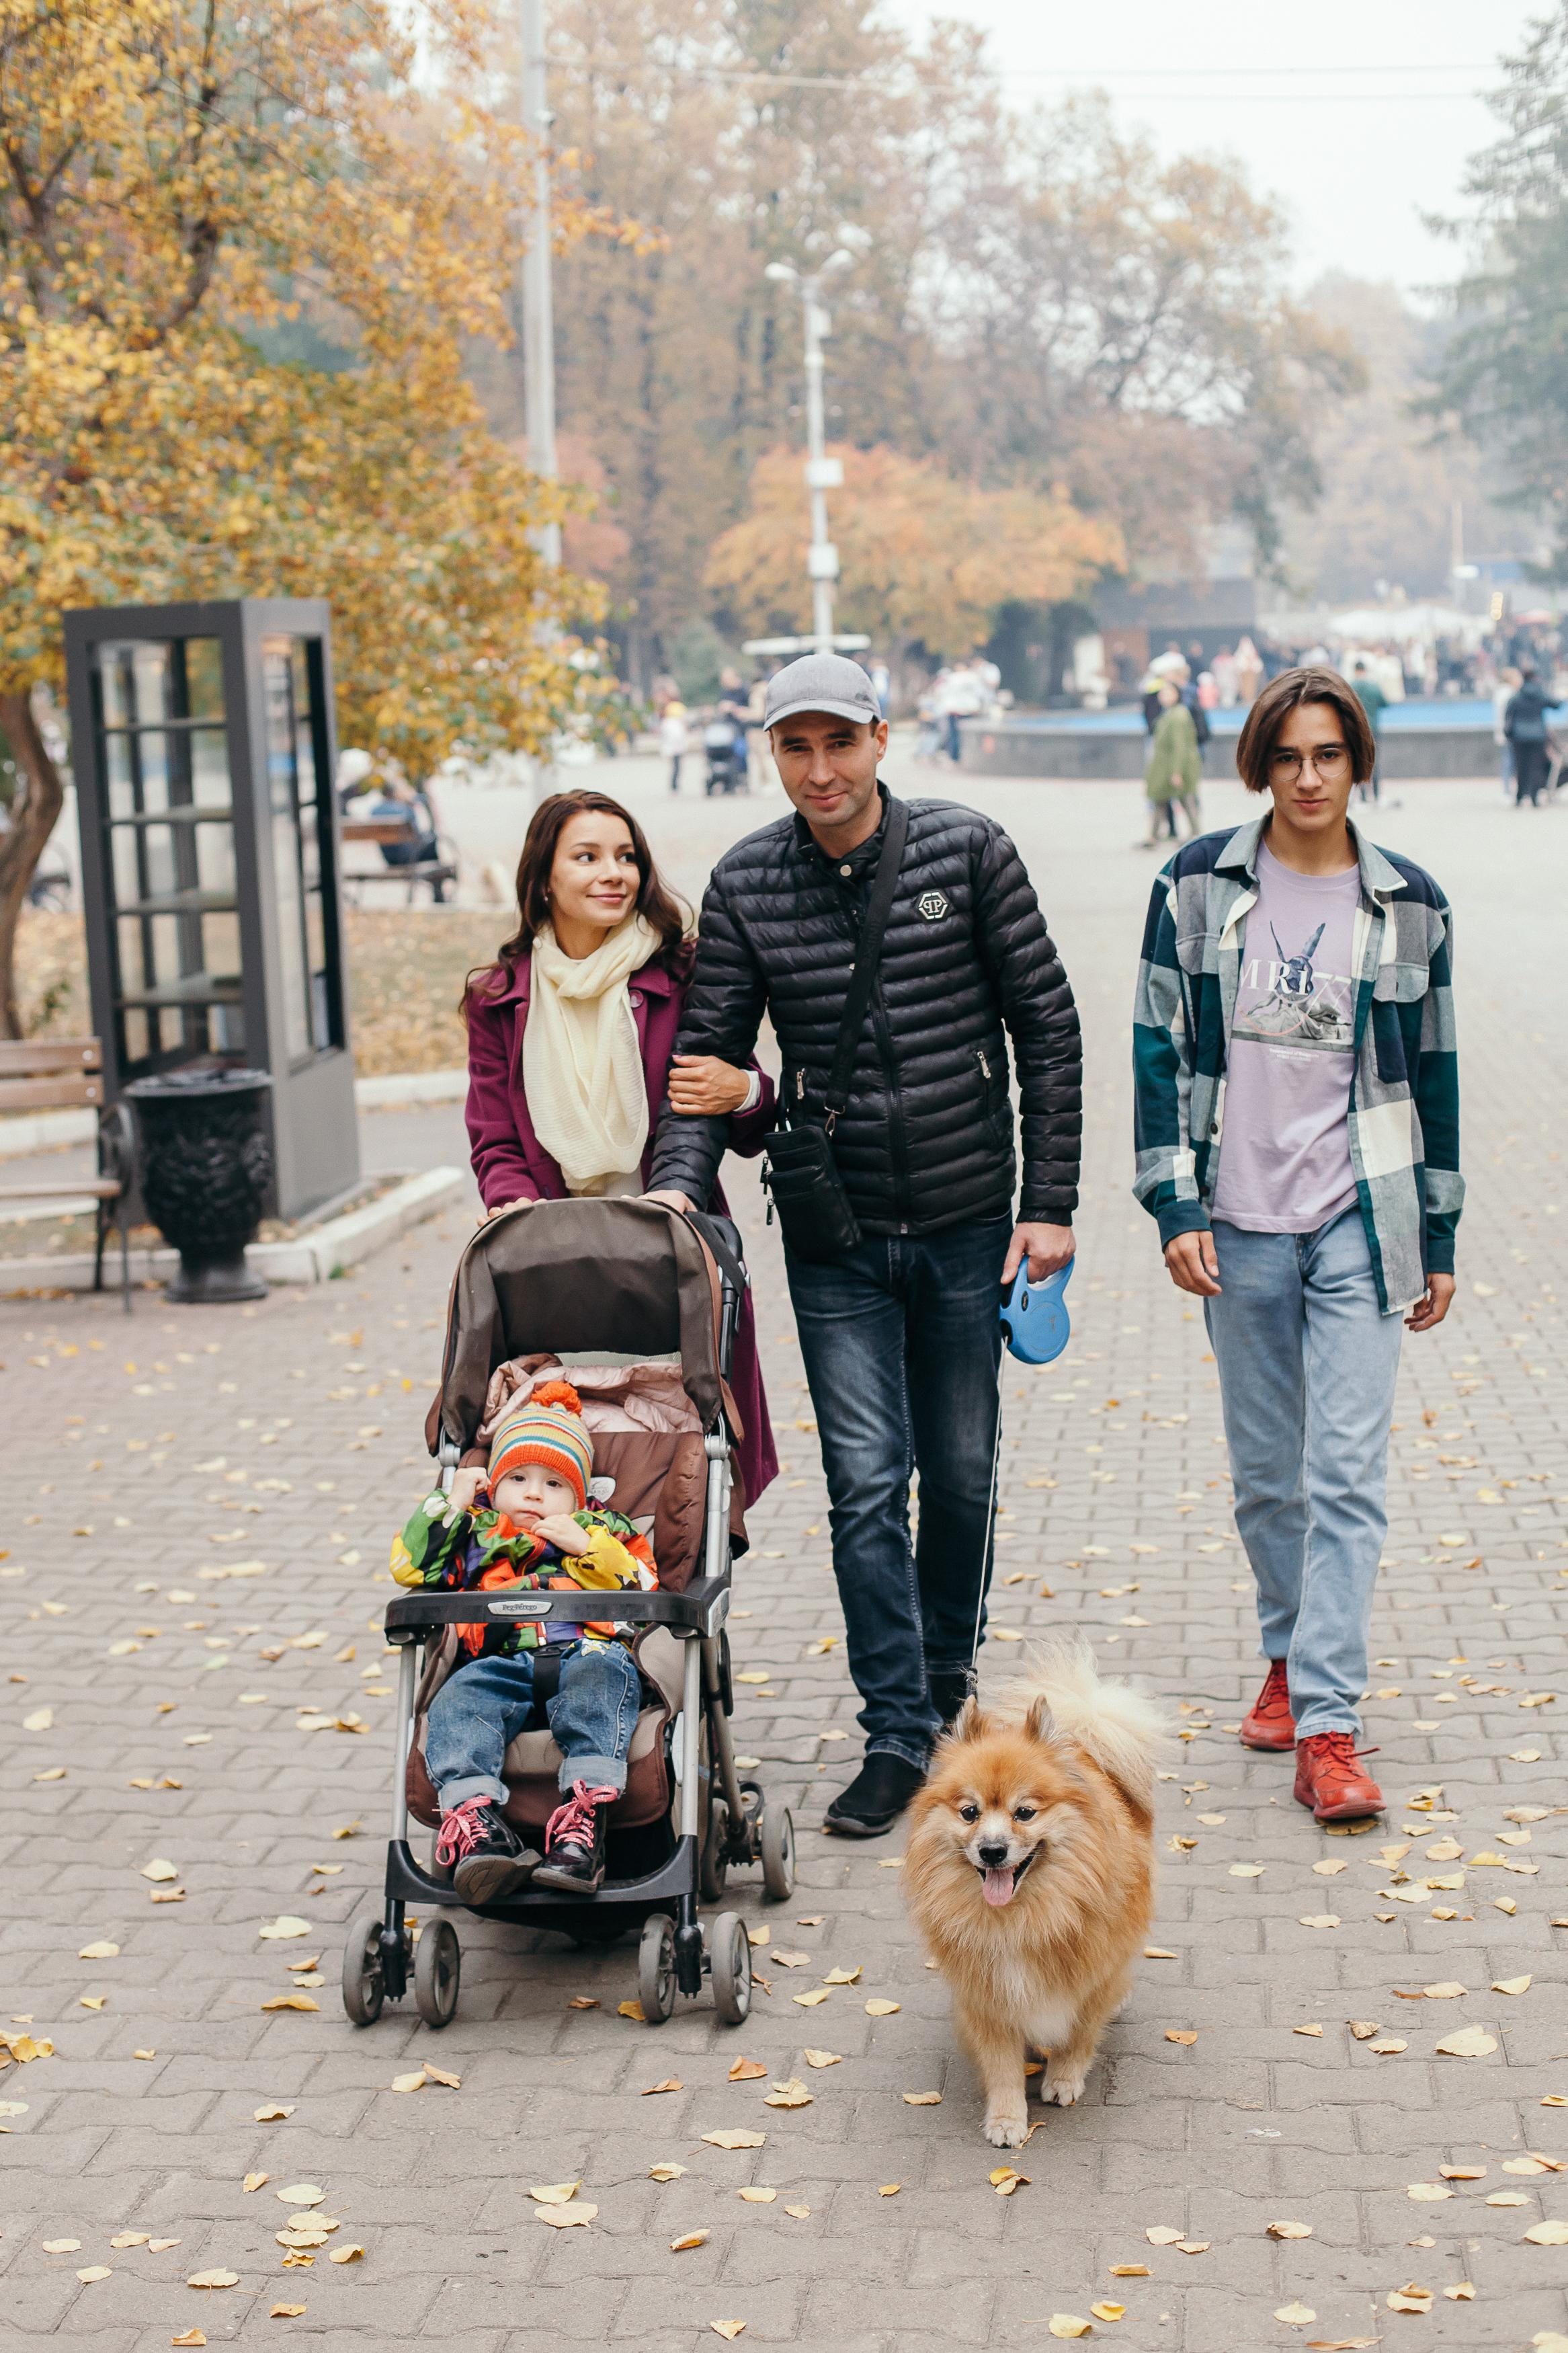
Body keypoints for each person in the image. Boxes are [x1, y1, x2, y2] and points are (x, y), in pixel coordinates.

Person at [646, 653, 1083, 1837]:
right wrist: (675, 1203)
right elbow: (703, 1067)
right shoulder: (745, 883)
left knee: (963, 1473)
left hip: (966, 1226)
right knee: (860, 1488)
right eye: (797, 747)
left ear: (882, 739)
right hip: (835, 1236)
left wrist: (1049, 1201)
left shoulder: (968, 852)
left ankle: (947, 1683)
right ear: (772, 753)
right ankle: (896, 1730)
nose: (820, 769)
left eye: (839, 742)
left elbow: (1045, 1026)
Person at [1132, 667, 1462, 1824]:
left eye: (1328, 755)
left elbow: (1435, 1070)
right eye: (1287, 758)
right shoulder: (1192, 886)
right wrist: (1173, 1206)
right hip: (1236, 1222)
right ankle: (1283, 1649)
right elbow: (1155, 1053)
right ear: (1258, 766)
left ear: (1355, 761)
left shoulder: (1407, 899)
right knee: (1269, 1477)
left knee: (1346, 1479)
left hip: (1361, 1221)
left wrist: (1440, 1229)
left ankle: (1326, 1721)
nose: (1309, 777)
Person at [462, 788, 778, 1510]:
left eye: (626, 856)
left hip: (666, 1251)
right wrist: (509, 1199)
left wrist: (747, 1090)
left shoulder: (679, 975)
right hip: (552, 1265)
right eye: (588, 856)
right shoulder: (499, 996)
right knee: (558, 1439)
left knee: (678, 1440)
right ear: (544, 877)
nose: (615, 873)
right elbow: (493, 1132)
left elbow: (736, 1105)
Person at [393, 1380, 658, 1899]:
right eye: (518, 1478)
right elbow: (409, 1567)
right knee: (457, 1701)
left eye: (554, 1484)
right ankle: (481, 1831)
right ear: (494, 1486)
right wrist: (449, 1504)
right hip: (500, 1662)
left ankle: (582, 1827)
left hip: (587, 1652)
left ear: (580, 1496)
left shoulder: (602, 1530)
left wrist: (588, 1548)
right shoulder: (473, 1534)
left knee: (599, 1681)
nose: (534, 1493)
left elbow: (645, 1588)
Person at [1142, 680, 1202, 846]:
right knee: (1162, 800)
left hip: (1172, 767)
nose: (1164, 696)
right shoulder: (1170, 713)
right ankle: (1153, 837)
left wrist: (1177, 772)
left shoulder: (1179, 715)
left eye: (1169, 692)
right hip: (1165, 767)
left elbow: (1180, 746)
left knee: (1185, 799)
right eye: (1163, 693)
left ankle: (1195, 834)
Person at [1504, 662, 1561, 805]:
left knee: (1521, 767)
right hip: (1537, 736)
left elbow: (1509, 715)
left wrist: (1509, 734)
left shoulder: (1517, 696)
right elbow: (1555, 705)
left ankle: (1520, 796)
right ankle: (1535, 798)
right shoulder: (1540, 694)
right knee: (1536, 767)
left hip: (1519, 737)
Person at [1349, 658, 1387, 803]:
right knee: (1374, 762)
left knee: (1360, 761)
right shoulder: (1374, 686)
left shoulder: (1351, 687)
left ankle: (1363, 796)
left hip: (1358, 730)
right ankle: (1376, 795)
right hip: (1373, 729)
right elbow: (1385, 703)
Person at [659, 699, 690, 795]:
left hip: (669, 749)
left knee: (674, 768)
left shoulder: (666, 722)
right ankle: (674, 786)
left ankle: (674, 786)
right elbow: (678, 737)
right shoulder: (675, 723)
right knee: (677, 768)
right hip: (676, 749)